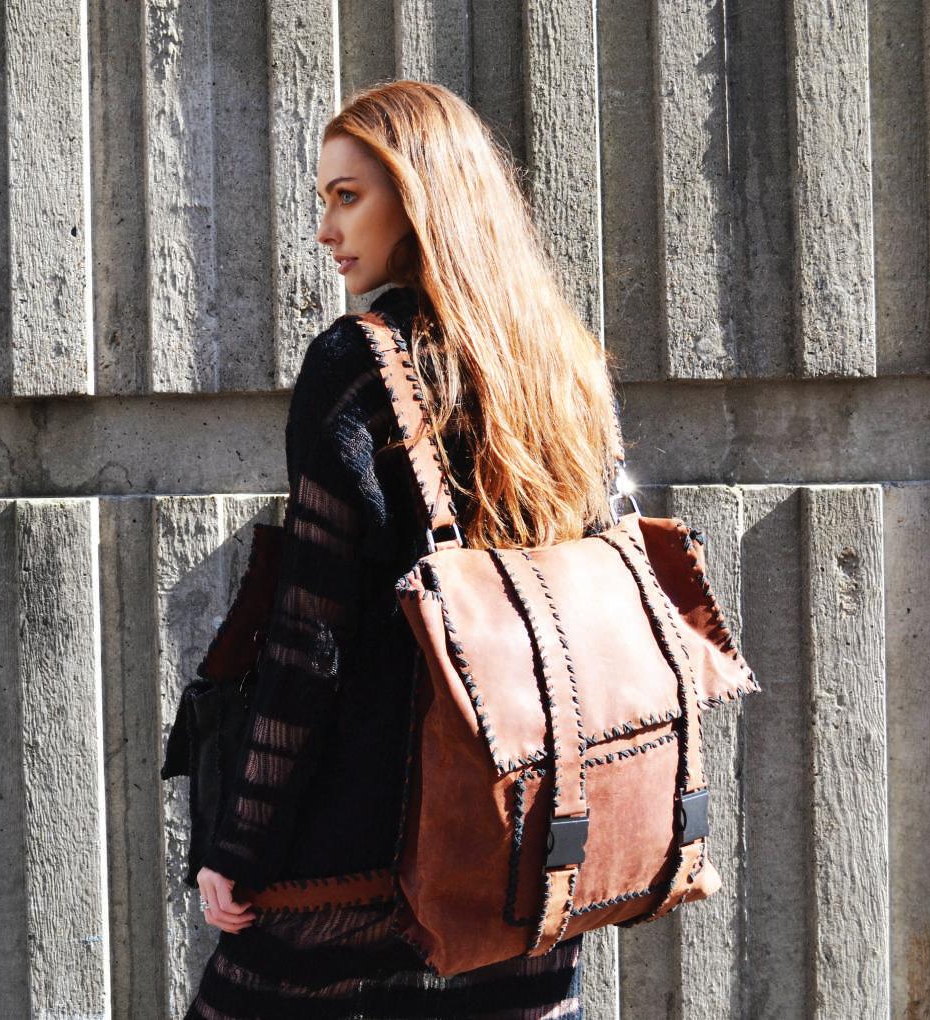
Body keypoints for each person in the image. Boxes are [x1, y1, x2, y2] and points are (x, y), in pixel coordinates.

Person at [185, 79, 624, 1019]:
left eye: (348, 196)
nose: (325, 230)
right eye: (324, 199)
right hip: (522, 847)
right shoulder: (563, 367)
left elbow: (311, 639)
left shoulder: (355, 363)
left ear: (420, 195)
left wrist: (240, 845)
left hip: (358, 855)